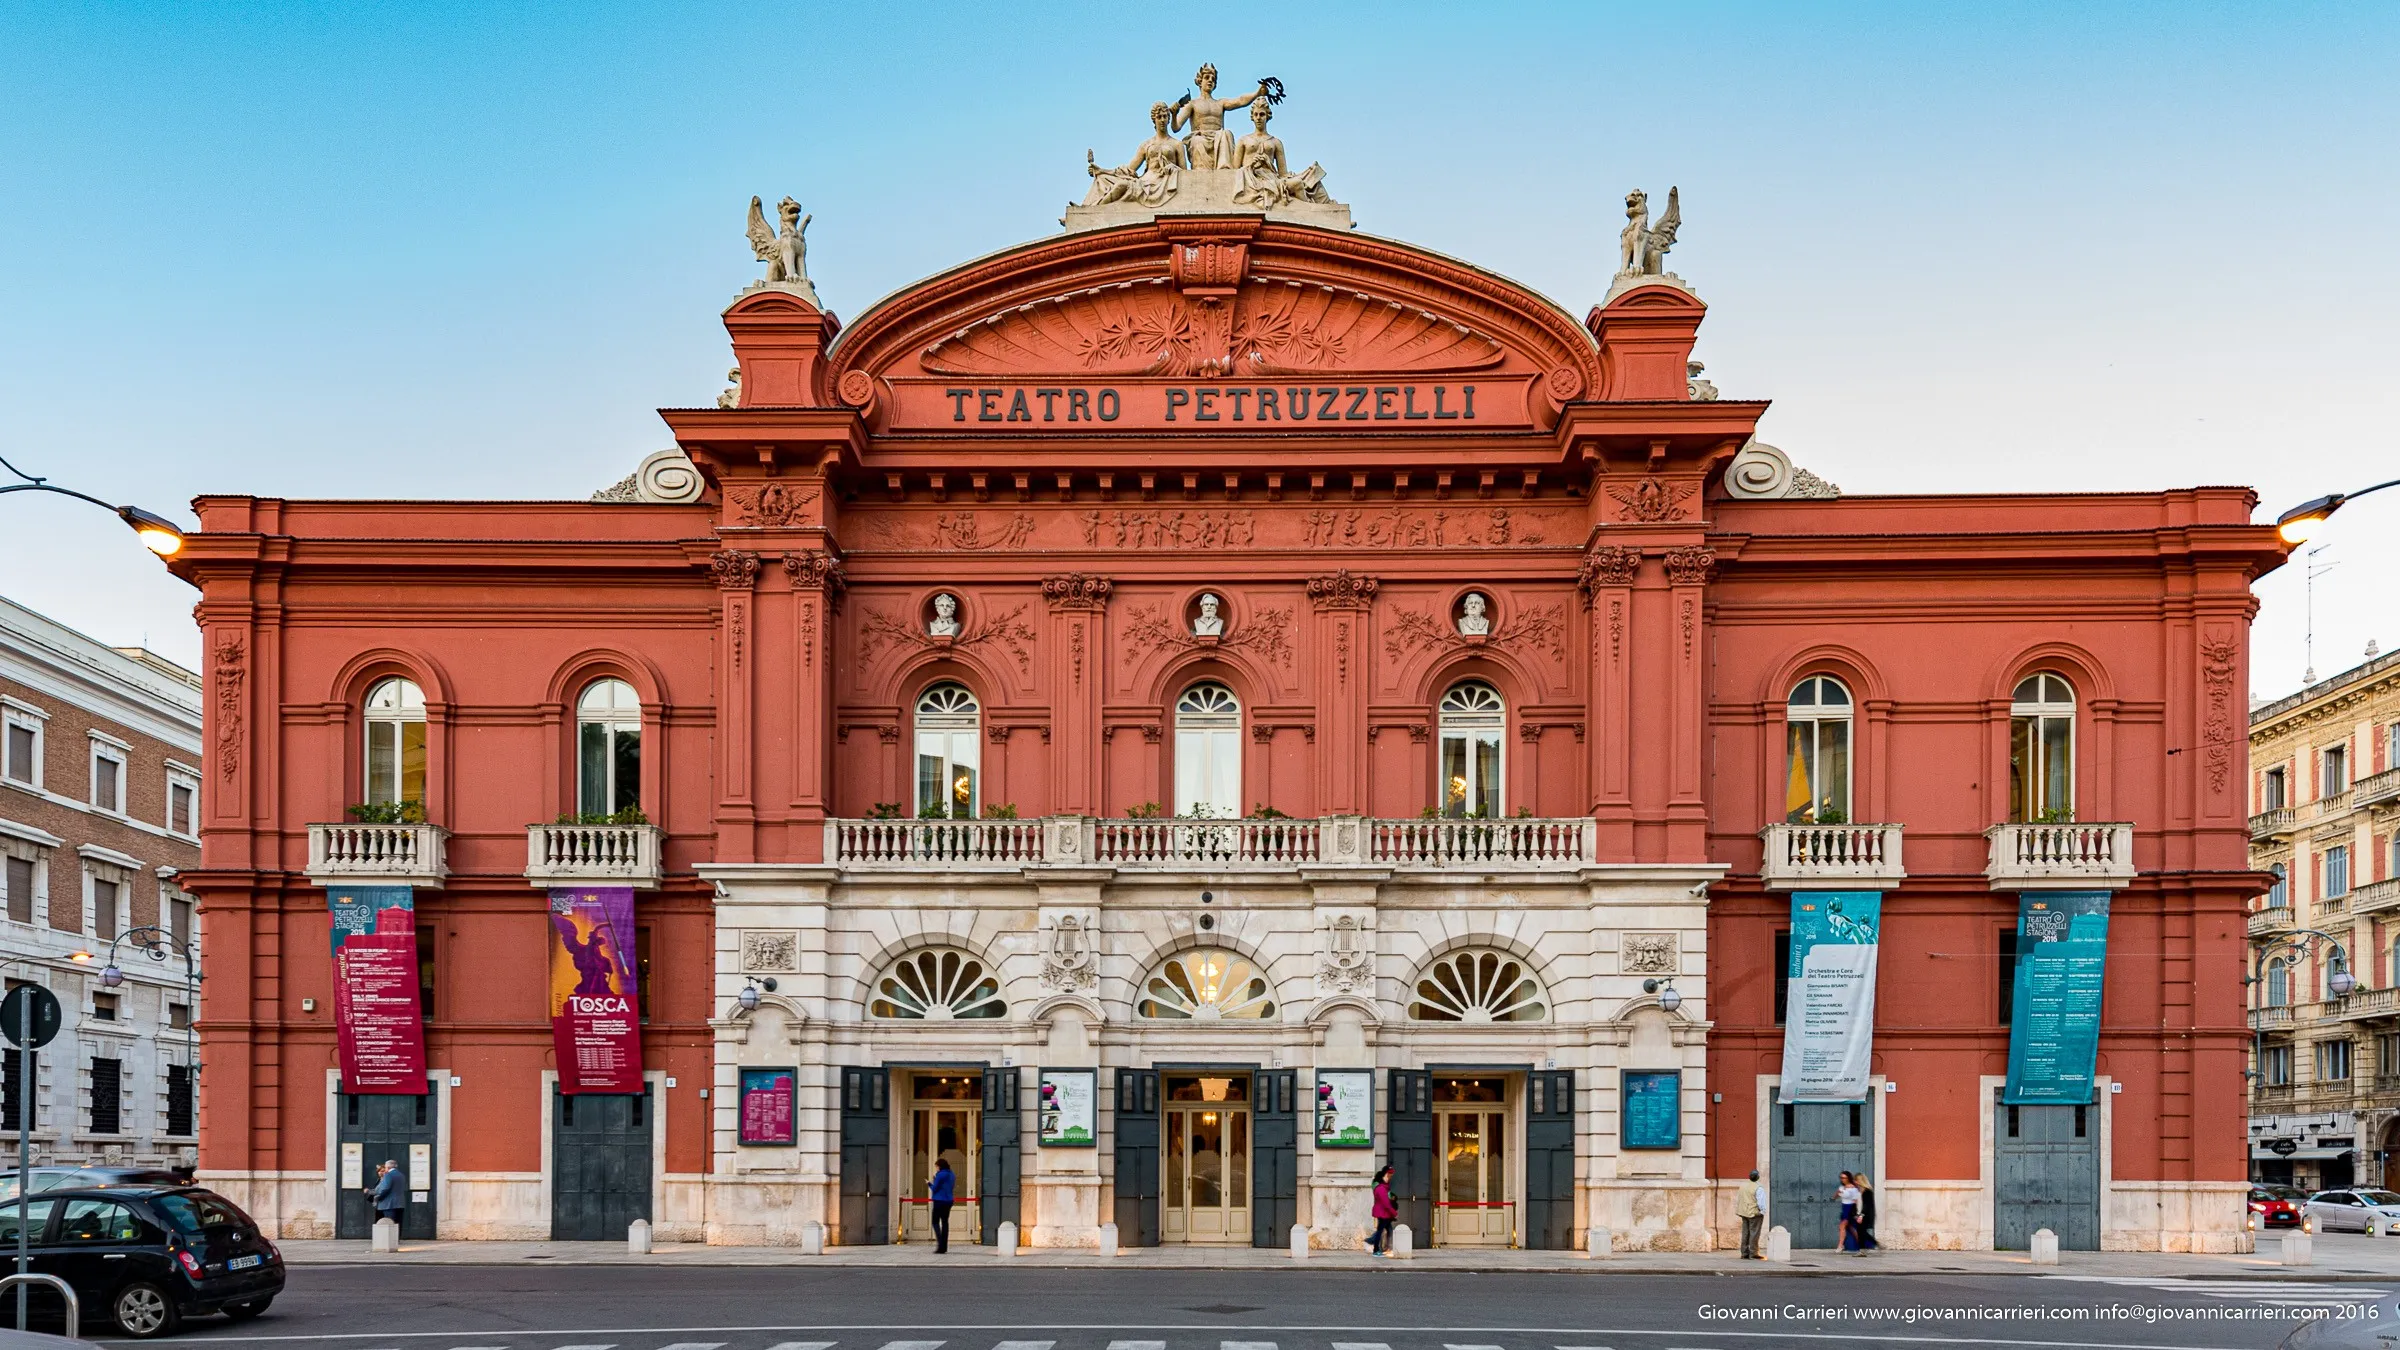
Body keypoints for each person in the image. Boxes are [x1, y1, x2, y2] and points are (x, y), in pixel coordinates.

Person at [368, 1159, 406, 1235]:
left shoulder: (388, 1174)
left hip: (389, 1204)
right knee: (397, 1223)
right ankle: (396, 1239)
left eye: (385, 1167)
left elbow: (386, 1188)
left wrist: (379, 1197)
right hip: (400, 1203)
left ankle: (390, 1240)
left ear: (387, 1167)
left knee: (389, 1223)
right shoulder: (401, 1175)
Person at [1734, 1168, 1764, 1259]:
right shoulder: (1758, 1188)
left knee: (1745, 1233)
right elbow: (1761, 1202)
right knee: (1754, 1233)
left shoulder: (1743, 1186)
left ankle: (1744, 1253)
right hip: (1754, 1213)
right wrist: (1762, 1211)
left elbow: (1739, 1198)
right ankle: (1753, 1253)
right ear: (1758, 1177)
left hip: (1744, 1212)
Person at [1368, 1165, 1398, 1256]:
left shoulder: (1384, 1187)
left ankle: (1384, 1248)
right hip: (1383, 1213)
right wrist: (1394, 1212)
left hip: (1385, 1213)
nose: (1390, 1177)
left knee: (1387, 1230)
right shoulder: (1381, 1188)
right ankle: (1376, 1249)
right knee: (1380, 1231)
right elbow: (1386, 1203)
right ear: (1385, 1175)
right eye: (1389, 1175)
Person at [929, 1156, 956, 1254]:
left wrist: (929, 1183)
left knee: (935, 1222)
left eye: (936, 1166)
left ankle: (940, 1244)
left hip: (939, 1200)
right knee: (945, 1223)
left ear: (939, 1166)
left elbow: (934, 1188)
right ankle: (944, 1246)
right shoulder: (952, 1174)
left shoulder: (940, 1175)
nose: (936, 1168)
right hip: (949, 1201)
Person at [1836, 1170, 1862, 1253]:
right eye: (1841, 1177)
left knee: (1842, 1226)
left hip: (1850, 1208)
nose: (1842, 1179)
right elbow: (1835, 1197)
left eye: (1844, 1177)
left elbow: (1856, 1200)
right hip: (1844, 1208)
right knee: (1851, 1228)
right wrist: (1837, 1193)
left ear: (1848, 1178)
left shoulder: (1854, 1188)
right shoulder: (1841, 1187)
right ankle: (1861, 1245)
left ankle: (1840, 1246)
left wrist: (1856, 1212)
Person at [1855, 1174, 1880, 1252]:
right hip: (1863, 1214)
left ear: (1860, 1181)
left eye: (1856, 1180)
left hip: (1866, 1215)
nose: (1855, 1182)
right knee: (1862, 1232)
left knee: (1861, 1232)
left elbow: (1866, 1205)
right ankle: (1873, 1244)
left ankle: (1862, 1250)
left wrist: (1861, 1215)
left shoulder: (1867, 1191)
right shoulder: (1862, 1190)